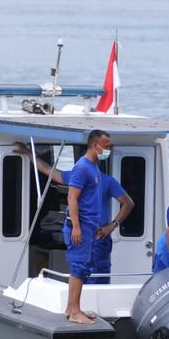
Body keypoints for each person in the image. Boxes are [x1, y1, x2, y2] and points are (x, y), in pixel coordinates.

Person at [14, 142, 134, 285]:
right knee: (78, 275)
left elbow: (128, 203)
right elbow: (47, 170)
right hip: (78, 237)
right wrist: (28, 152)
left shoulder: (107, 181)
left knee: (98, 277)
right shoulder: (74, 177)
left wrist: (112, 225)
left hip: (98, 237)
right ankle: (78, 305)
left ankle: (93, 305)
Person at [61, 130, 110, 324]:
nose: (108, 150)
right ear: (95, 145)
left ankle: (73, 307)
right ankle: (74, 312)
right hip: (79, 226)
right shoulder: (82, 168)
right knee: (78, 266)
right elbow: (72, 197)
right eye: (106, 146)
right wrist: (76, 226)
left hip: (90, 227)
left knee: (84, 267)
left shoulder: (94, 167)